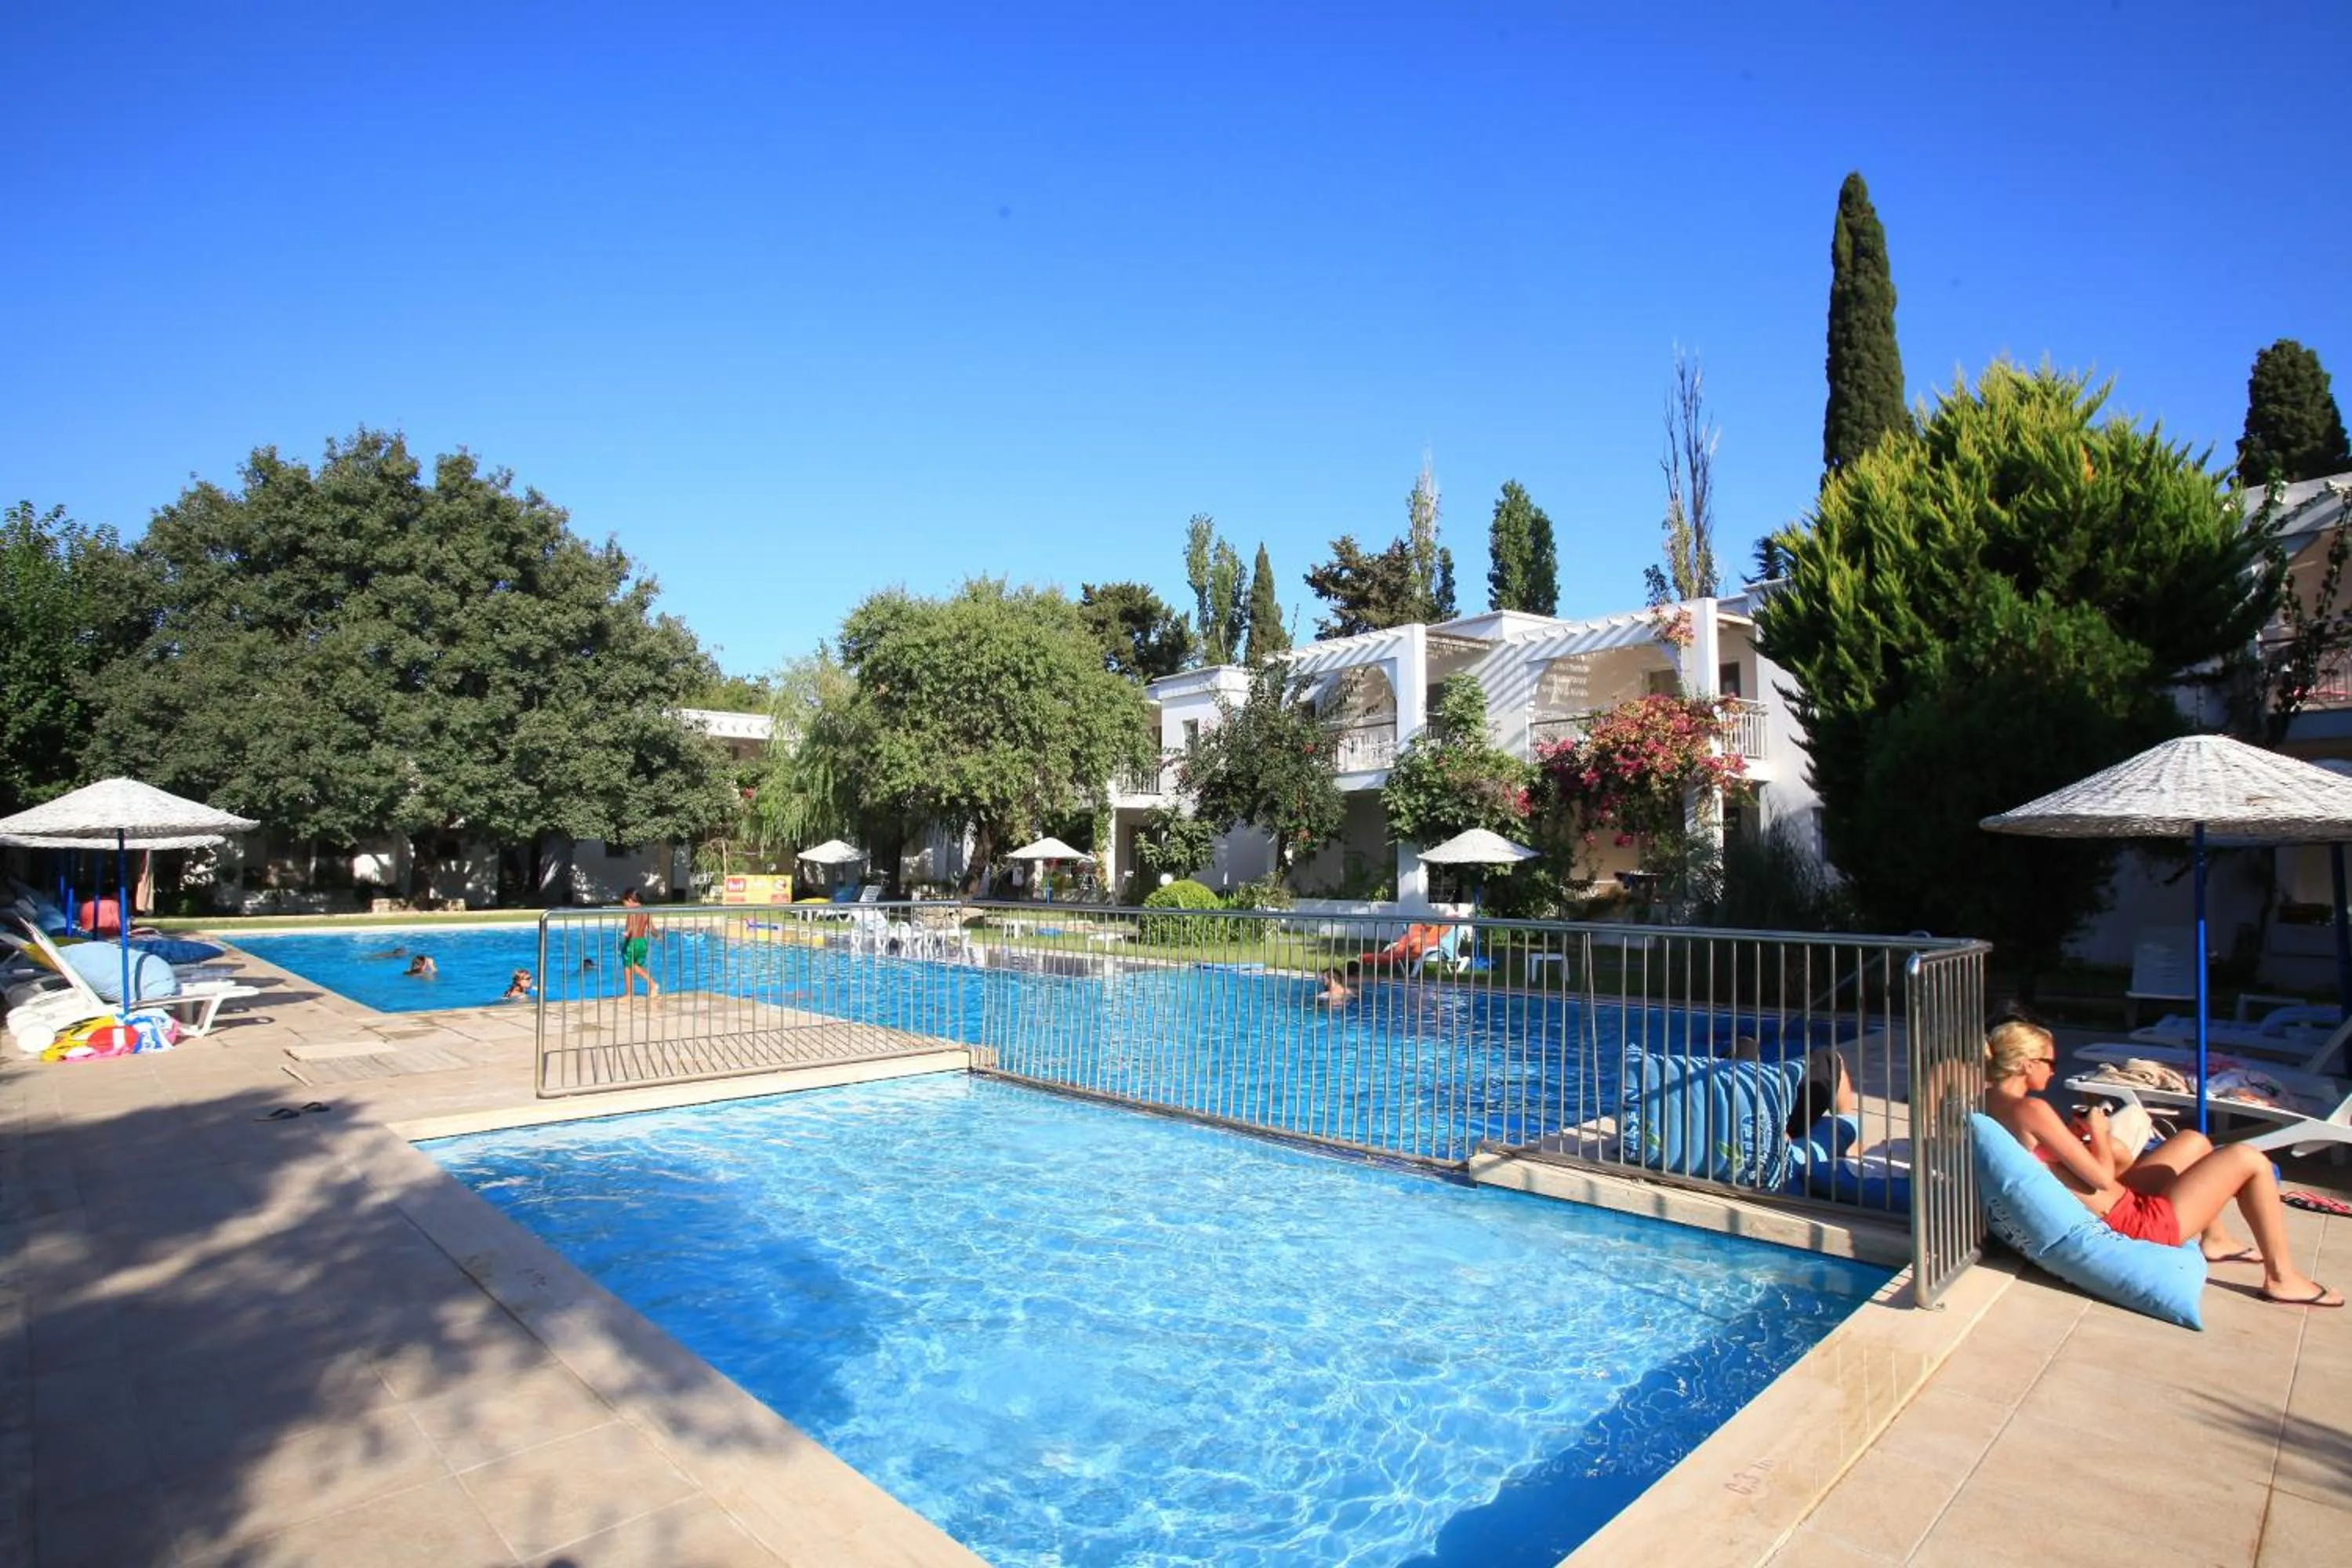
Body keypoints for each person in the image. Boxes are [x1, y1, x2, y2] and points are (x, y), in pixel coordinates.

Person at [1983, 1018, 2339, 1308]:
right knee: (2249, 1159)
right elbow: (2103, 1178)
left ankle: (2216, 1239)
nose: (2054, 1072)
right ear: (2027, 1064)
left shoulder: (1990, 1102)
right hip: (2132, 1221)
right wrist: (2099, 1133)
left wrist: (2085, 1139)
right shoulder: (2032, 1109)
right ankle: (2282, 1277)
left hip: (2117, 1204)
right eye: (2051, 1063)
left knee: (2193, 1141)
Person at [619, 888, 659, 1004]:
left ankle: (632, 993)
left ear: (630, 900)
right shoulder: (646, 911)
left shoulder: (632, 911)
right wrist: (657, 936)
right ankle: (650, 986)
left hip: (632, 942)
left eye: (624, 903)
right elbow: (651, 928)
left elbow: (631, 926)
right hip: (642, 942)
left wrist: (627, 933)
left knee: (628, 967)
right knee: (635, 966)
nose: (625, 906)